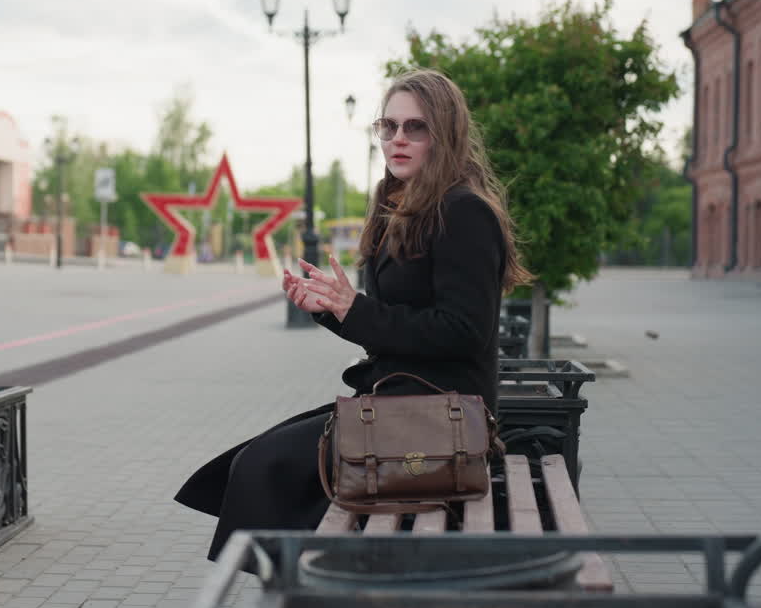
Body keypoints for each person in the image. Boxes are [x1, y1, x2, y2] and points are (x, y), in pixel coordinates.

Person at [174, 67, 532, 561]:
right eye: (388, 126)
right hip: (399, 403)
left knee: (267, 467)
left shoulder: (464, 213)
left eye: (415, 127)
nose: (397, 139)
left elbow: (465, 332)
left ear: (445, 134)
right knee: (256, 460)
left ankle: (309, 592)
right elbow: (387, 324)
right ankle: (310, 590)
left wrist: (355, 308)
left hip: (442, 417)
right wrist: (330, 310)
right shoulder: (403, 211)